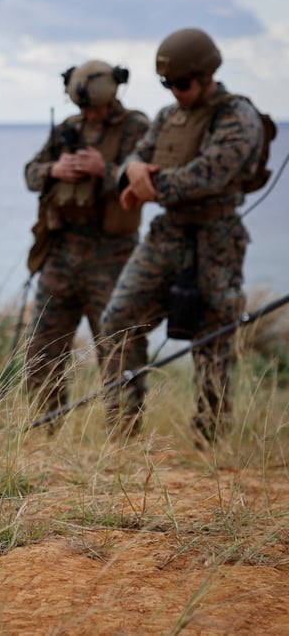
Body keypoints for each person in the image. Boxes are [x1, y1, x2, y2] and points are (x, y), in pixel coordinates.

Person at [100, 28, 265, 443]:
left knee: (211, 340)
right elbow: (139, 155)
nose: (175, 91)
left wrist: (146, 185)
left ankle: (209, 439)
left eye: (182, 83)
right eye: (167, 84)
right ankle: (122, 428)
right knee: (119, 321)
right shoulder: (167, 116)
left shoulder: (236, 116)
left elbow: (209, 175)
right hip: (166, 235)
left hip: (216, 237)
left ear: (207, 74)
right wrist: (134, 171)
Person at [22, 60, 149, 426]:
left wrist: (103, 171)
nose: (90, 115)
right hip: (61, 252)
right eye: (84, 109)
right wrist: (53, 171)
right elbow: (31, 173)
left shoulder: (136, 127)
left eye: (95, 107)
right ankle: (44, 426)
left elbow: (148, 183)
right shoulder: (68, 129)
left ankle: (124, 433)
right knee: (44, 345)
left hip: (112, 254)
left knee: (119, 345)